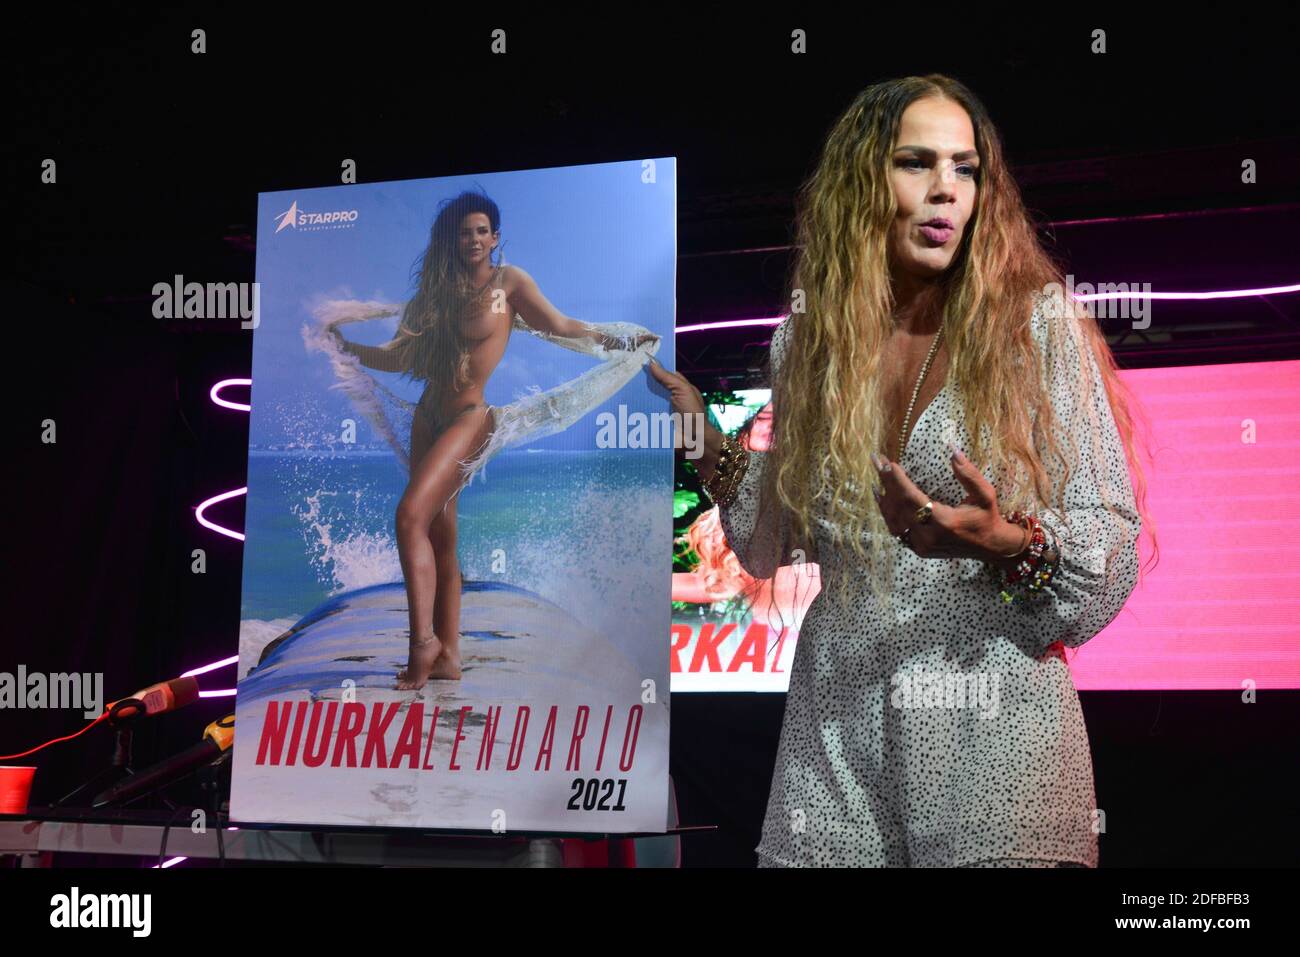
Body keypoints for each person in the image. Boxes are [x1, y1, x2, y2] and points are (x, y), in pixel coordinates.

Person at [648, 74, 1156, 867]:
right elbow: (777, 541)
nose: (946, 190)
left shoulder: (1037, 330)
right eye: (916, 162)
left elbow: (1110, 543)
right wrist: (708, 446)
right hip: (837, 726)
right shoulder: (806, 346)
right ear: (863, 183)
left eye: (966, 167)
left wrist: (1006, 541)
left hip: (993, 732)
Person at [327, 190, 657, 690]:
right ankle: (450, 655)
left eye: (482, 230)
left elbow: (562, 325)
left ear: (495, 237)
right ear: (451, 240)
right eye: (464, 232)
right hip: (428, 417)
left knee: (409, 515)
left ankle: (422, 646)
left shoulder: (510, 283)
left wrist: (620, 341)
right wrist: (348, 348)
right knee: (439, 534)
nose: (474, 239)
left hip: (468, 416)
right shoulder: (434, 294)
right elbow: (400, 360)